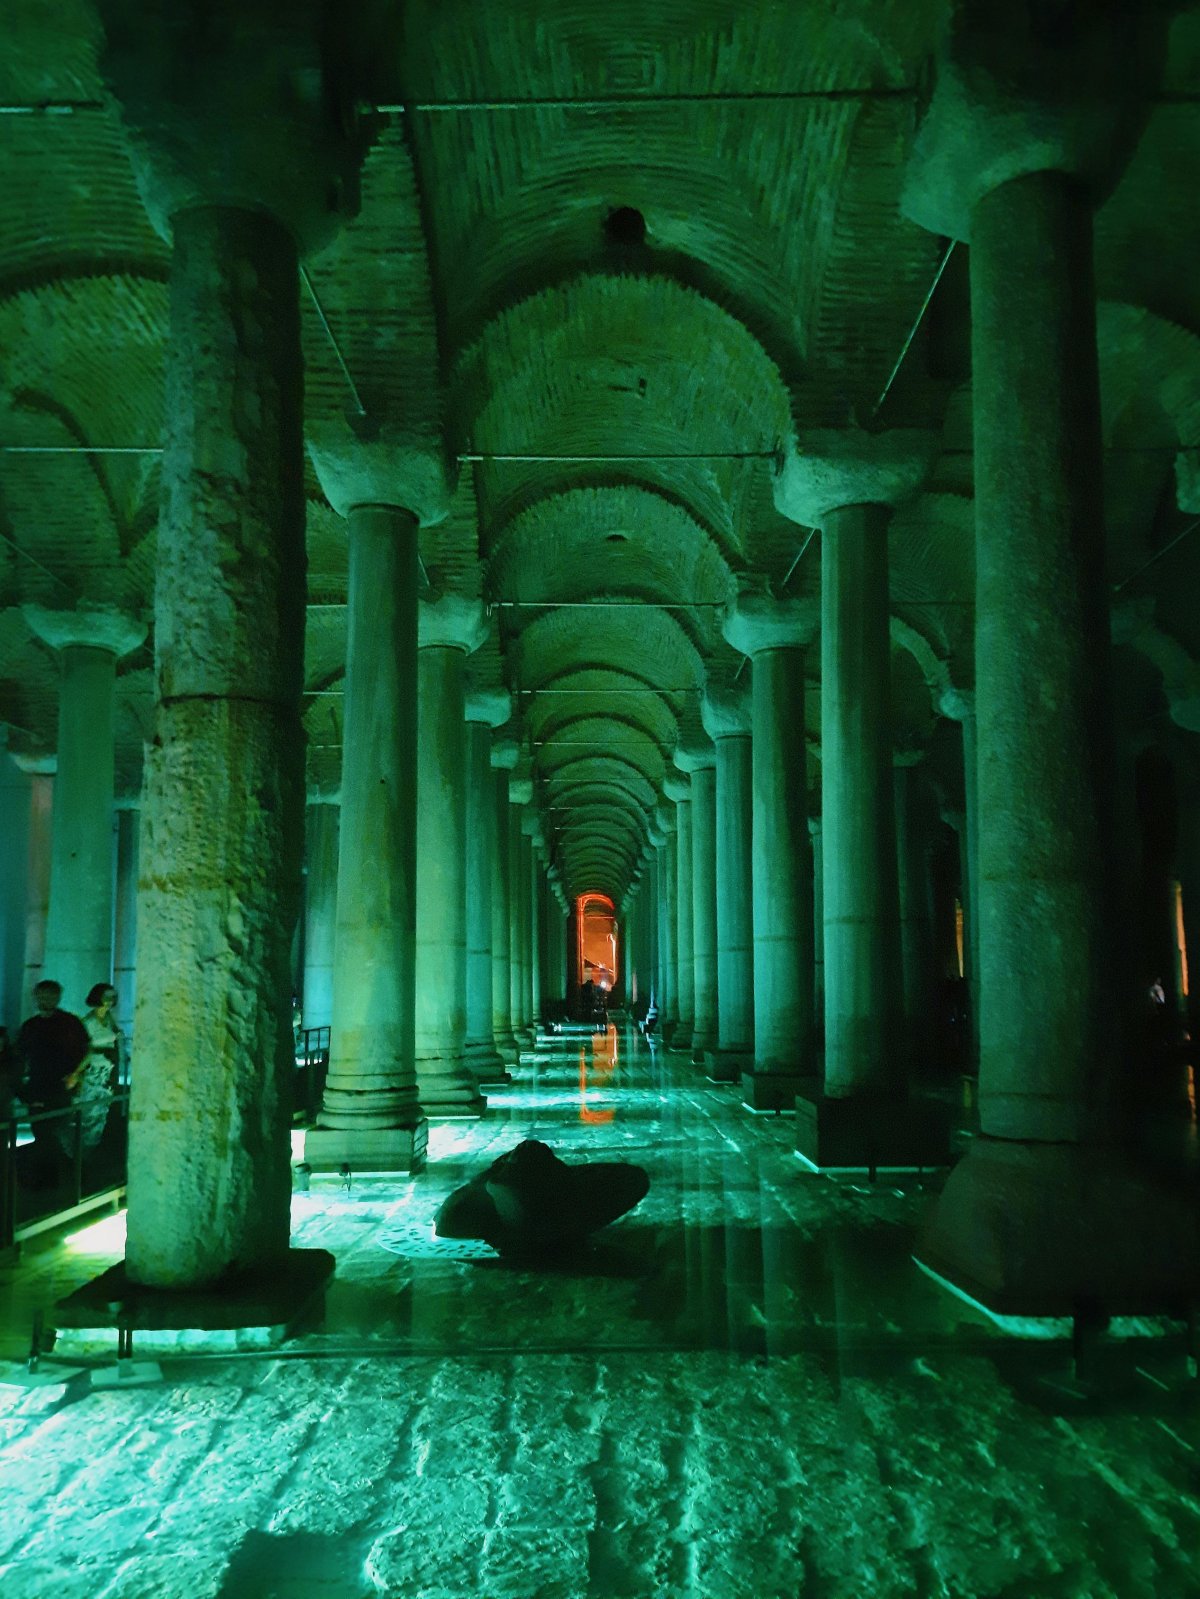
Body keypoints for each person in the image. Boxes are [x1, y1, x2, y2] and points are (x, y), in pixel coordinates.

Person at [16, 980, 89, 1183]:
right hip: (38, 1085)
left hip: (60, 1086)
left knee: (55, 1131)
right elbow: (21, 1057)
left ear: (57, 997)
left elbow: (86, 1048)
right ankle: (48, 1178)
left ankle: (57, 1177)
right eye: (41, 995)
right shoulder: (31, 1026)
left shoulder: (69, 1023)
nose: (44, 999)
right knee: (41, 1131)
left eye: (48, 995)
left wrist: (75, 1074)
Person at [78, 983, 123, 1150]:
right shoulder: (88, 1022)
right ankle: (83, 1152)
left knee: (101, 1114)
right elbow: (83, 1049)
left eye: (113, 997)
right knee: (90, 1115)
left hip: (107, 1074)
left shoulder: (110, 1018)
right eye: (106, 997)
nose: (110, 1001)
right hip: (92, 1073)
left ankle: (91, 1152)